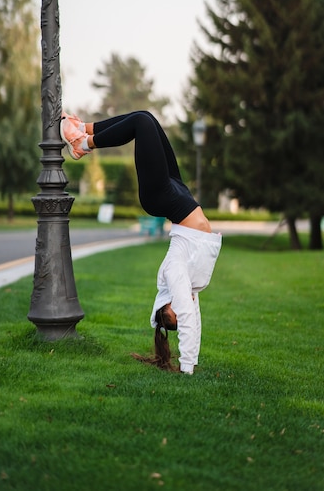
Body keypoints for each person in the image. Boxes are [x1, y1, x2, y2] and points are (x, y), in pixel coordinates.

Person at [60, 110, 222, 374]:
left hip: (162, 197)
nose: (185, 310)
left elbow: (189, 320)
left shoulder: (175, 273)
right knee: (147, 117)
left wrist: (187, 367)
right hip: (179, 197)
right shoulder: (195, 285)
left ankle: (83, 144)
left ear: (166, 305)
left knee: (141, 124)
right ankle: (84, 128)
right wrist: (193, 358)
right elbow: (195, 320)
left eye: (175, 314)